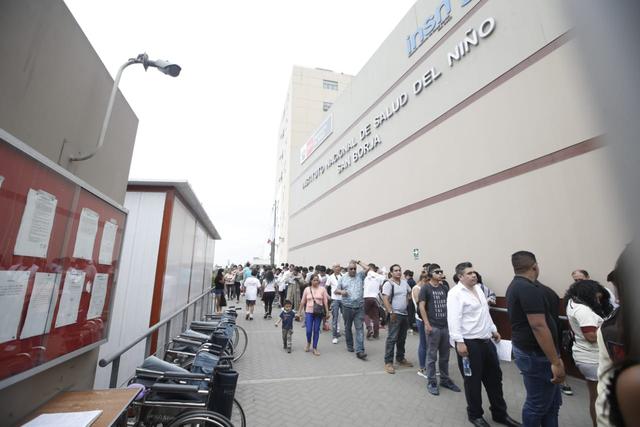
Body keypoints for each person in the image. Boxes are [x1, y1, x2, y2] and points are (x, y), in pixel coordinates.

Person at [449, 262, 520, 427]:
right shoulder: (455, 294)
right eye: (469, 273)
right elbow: (453, 320)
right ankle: (475, 415)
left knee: (495, 379)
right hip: (469, 344)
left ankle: (500, 414)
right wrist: (459, 342)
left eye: (474, 272)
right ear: (460, 277)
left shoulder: (479, 289)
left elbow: (485, 313)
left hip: (486, 341)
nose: (473, 275)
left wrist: (494, 330)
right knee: (472, 382)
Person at [506, 251, 561, 427]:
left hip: (534, 352)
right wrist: (556, 362)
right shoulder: (526, 288)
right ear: (535, 266)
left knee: (551, 403)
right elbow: (538, 325)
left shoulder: (518, 286)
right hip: (536, 354)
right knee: (537, 405)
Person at [565, 279, 613, 427]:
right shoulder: (583, 310)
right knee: (599, 398)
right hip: (592, 358)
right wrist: (611, 327)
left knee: (596, 397)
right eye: (597, 298)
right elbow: (591, 337)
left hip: (585, 355)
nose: (599, 301)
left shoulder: (573, 302)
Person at [419, 263, 461, 394]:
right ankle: (432, 382)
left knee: (445, 356)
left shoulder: (444, 288)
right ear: (431, 274)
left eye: (441, 271)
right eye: (437, 272)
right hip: (434, 327)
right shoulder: (425, 288)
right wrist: (427, 324)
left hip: (445, 327)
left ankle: (445, 379)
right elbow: (421, 307)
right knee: (432, 356)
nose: (440, 274)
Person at [382, 264, 413, 374]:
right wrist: (391, 311)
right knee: (392, 338)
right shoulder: (389, 284)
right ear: (391, 272)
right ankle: (388, 362)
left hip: (404, 314)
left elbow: (410, 293)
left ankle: (400, 358)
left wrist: (406, 301)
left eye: (399, 270)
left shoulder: (404, 283)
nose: (398, 272)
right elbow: (385, 298)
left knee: (402, 338)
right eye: (395, 270)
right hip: (395, 314)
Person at [335, 260, 368, 360]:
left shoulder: (360, 276)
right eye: (351, 269)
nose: (353, 270)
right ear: (347, 269)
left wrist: (358, 262)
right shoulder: (343, 278)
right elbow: (336, 290)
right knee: (348, 327)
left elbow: (368, 269)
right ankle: (350, 345)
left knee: (359, 329)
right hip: (347, 307)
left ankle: (360, 351)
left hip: (359, 307)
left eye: (354, 268)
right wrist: (342, 291)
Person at [299, 274, 331, 356]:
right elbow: (303, 301)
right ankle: (308, 342)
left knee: (316, 330)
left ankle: (315, 347)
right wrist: (299, 312)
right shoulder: (307, 289)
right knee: (308, 330)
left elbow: (325, 302)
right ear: (311, 281)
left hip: (318, 313)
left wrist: (327, 312)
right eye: (314, 280)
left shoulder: (322, 289)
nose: (316, 282)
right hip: (309, 312)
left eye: (317, 280)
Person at [413, 271, 429, 379]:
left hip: (429, 319)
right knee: (423, 344)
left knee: (429, 345)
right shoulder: (417, 289)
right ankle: (422, 368)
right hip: (421, 319)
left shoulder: (425, 288)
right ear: (424, 279)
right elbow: (420, 304)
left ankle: (429, 366)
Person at [363, 263, 384, 340]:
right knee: (376, 316)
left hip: (367, 297)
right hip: (375, 298)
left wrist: (359, 262)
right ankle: (376, 333)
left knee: (365, 313)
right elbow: (381, 287)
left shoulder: (368, 273)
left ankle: (369, 328)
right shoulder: (380, 277)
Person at [327, 263, 343, 344]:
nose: (338, 268)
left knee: (346, 317)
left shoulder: (343, 276)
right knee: (335, 317)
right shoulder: (330, 277)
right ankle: (335, 336)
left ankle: (342, 332)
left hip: (343, 299)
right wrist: (328, 296)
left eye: (339, 266)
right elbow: (326, 287)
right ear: (333, 268)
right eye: (336, 267)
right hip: (335, 299)